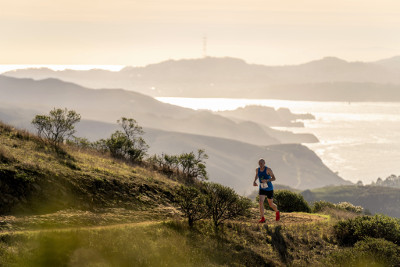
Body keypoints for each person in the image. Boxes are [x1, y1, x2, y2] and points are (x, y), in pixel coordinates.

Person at [253, 158, 280, 223]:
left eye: (262, 163)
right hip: (262, 188)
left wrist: (266, 180)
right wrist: (254, 181)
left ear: (264, 163)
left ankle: (277, 211)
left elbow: (274, 178)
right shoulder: (257, 169)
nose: (261, 164)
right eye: (259, 163)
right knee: (260, 202)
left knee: (270, 204)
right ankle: (262, 218)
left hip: (269, 189)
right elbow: (257, 175)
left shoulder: (268, 169)